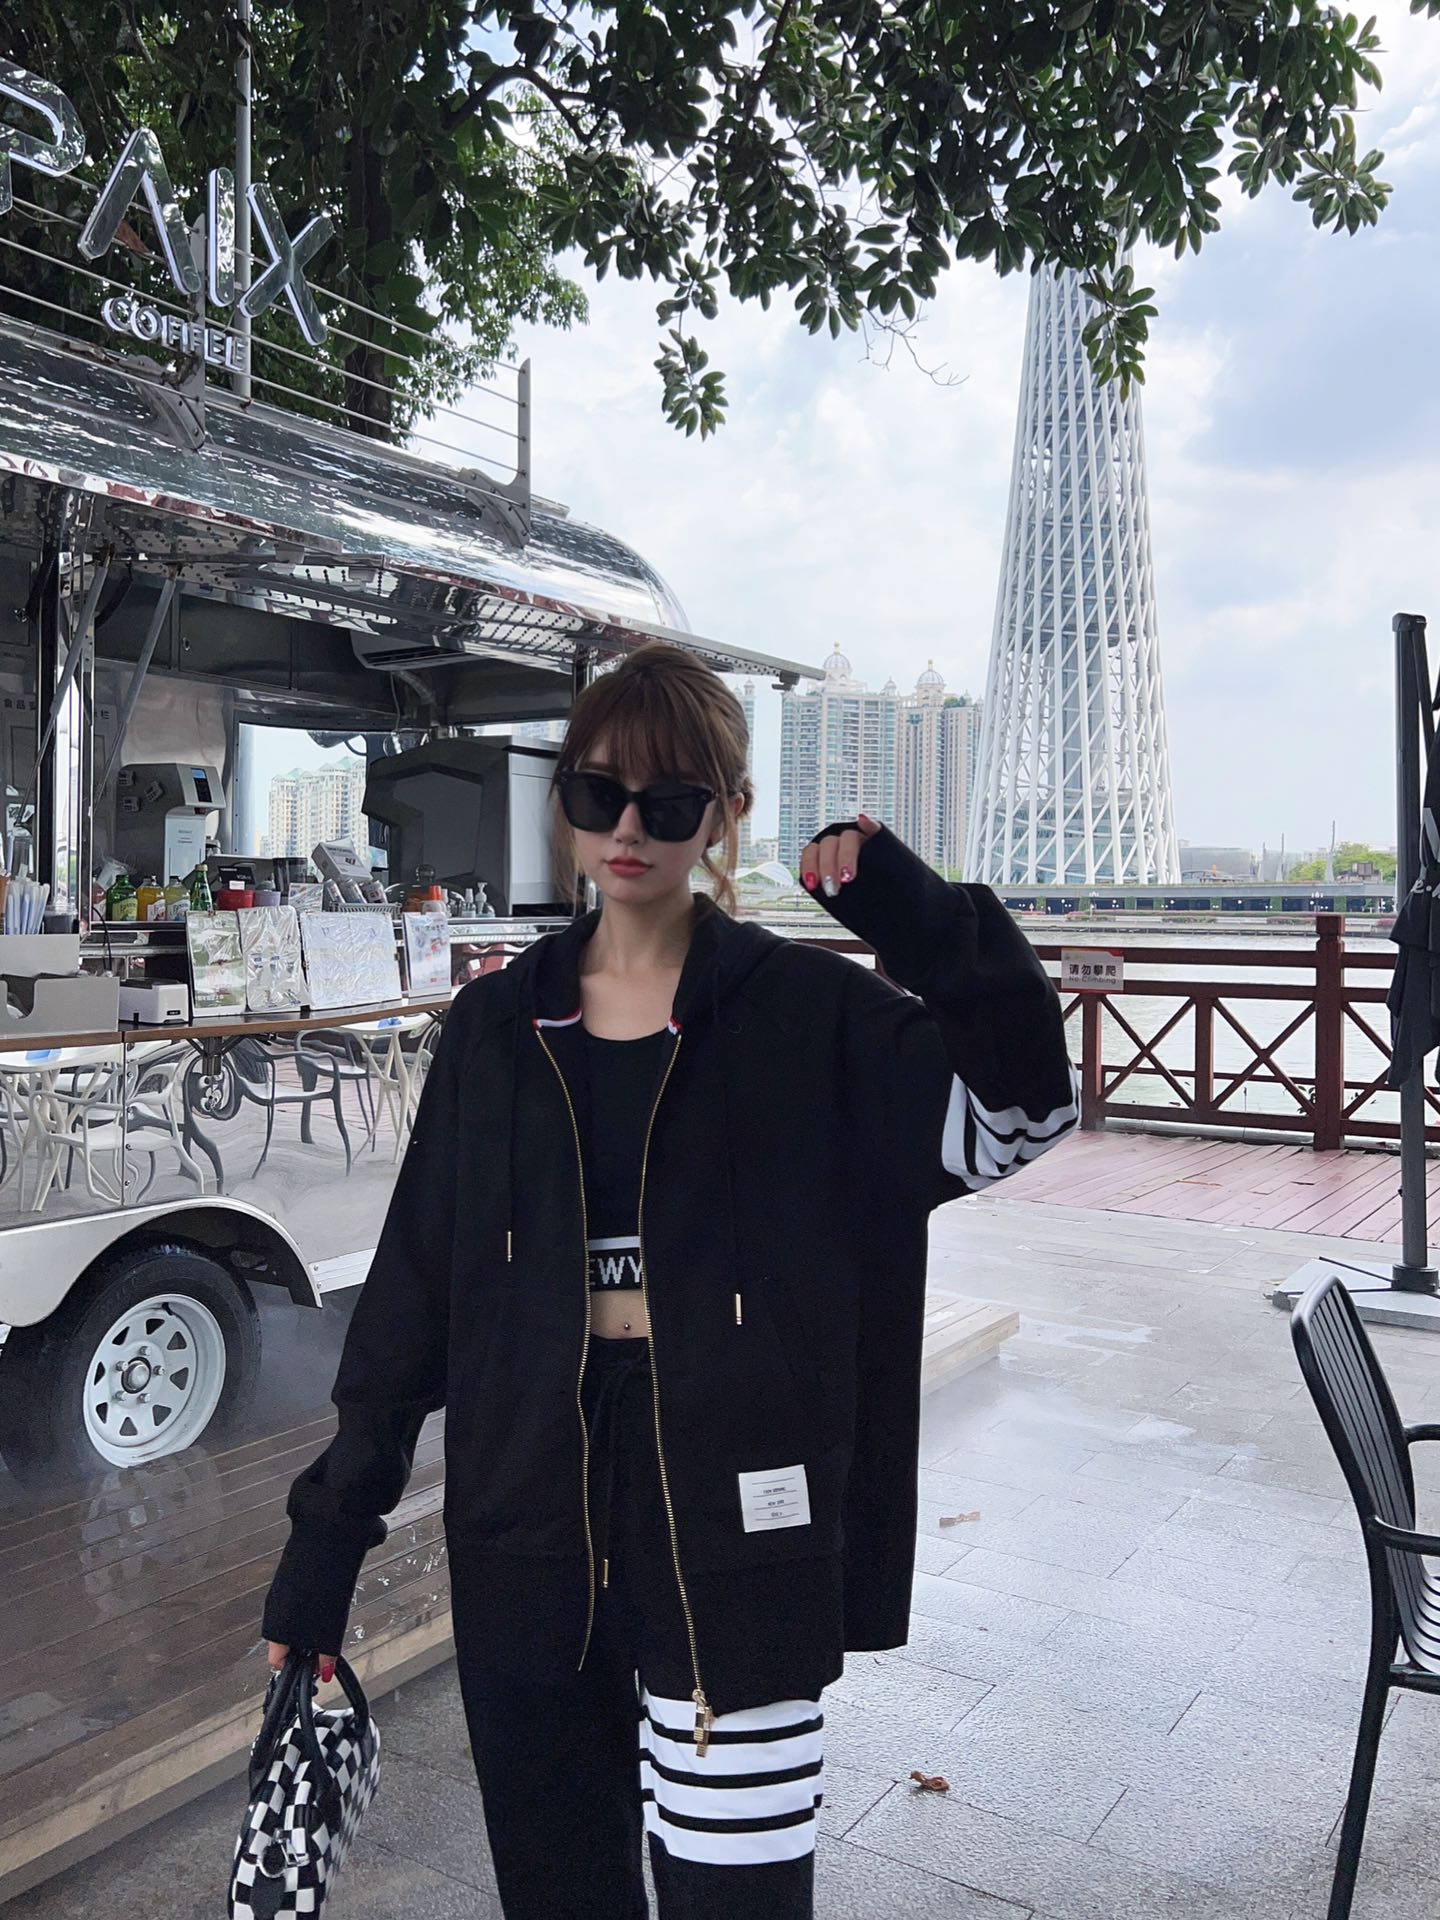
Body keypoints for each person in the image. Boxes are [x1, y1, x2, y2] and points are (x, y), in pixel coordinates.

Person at [262, 641, 1078, 1919]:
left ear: (726, 814)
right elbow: (417, 1296)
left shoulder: (808, 1013)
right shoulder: (498, 1027)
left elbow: (1021, 1116)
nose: (629, 829)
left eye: (670, 801)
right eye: (599, 794)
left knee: (735, 1895)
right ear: (565, 802)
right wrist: (327, 1542)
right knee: (561, 1890)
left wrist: (922, 923)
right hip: (527, 1510)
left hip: (736, 1515)